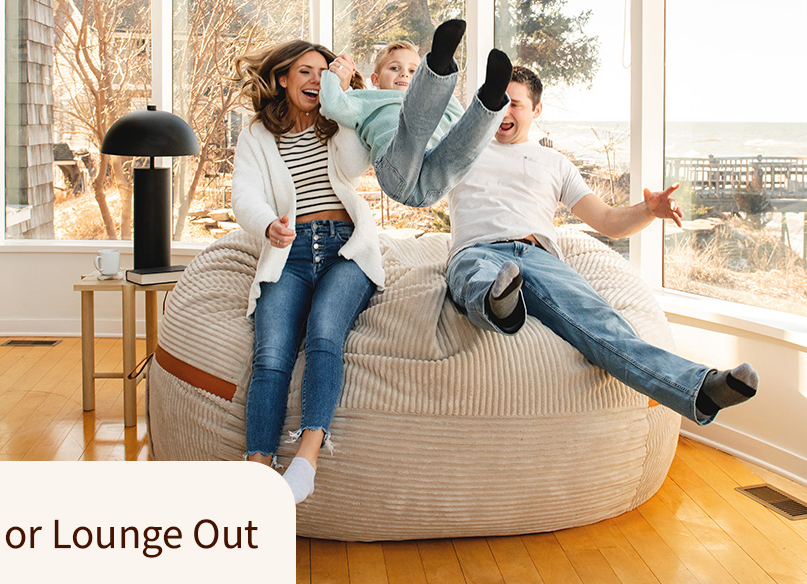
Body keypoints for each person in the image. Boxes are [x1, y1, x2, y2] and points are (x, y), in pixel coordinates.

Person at [440, 65, 758, 425]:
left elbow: (607, 222)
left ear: (536, 110)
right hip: (477, 248)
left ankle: (698, 388)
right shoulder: (463, 150)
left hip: (537, 256)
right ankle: (499, 306)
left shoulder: (555, 163)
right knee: (473, 275)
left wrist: (648, 210)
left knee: (605, 325)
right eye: (498, 102)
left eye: (515, 104)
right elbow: (417, 177)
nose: (504, 112)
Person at [231, 40, 384, 503]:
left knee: (323, 334)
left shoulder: (337, 121)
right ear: (282, 78)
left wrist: (345, 96)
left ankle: (307, 456)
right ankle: (258, 464)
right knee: (271, 354)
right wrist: (268, 225)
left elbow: (357, 164)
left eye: (324, 73)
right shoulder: (258, 133)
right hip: (290, 252)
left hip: (345, 250)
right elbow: (245, 195)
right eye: (305, 72)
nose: (316, 81)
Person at [320, 20, 513, 208]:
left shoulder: (433, 105)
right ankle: (438, 67)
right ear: (376, 79)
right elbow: (332, 105)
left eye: (414, 71)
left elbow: (459, 120)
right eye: (395, 68)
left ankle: (489, 102)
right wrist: (332, 75)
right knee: (412, 128)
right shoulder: (366, 99)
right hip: (394, 169)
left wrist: (438, 85)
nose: (404, 74)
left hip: (433, 177)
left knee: (461, 148)